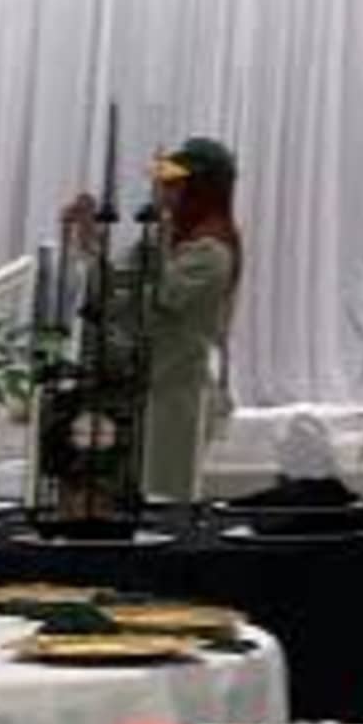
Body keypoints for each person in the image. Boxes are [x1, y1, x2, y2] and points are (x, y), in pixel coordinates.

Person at [139, 133, 242, 501]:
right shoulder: (175, 241)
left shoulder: (210, 251)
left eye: (174, 185)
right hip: (153, 390)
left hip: (176, 400)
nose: (164, 193)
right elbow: (120, 287)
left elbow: (164, 295)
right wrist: (85, 241)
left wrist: (159, 232)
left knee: (163, 501)